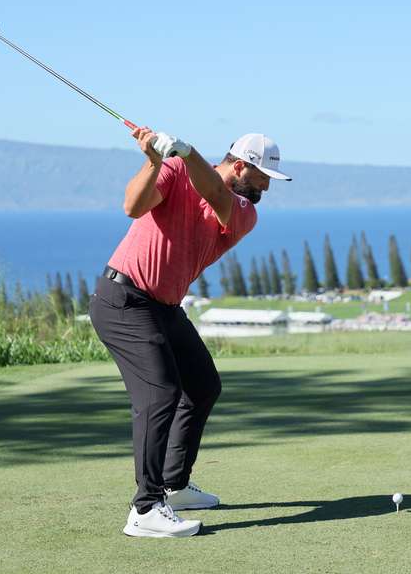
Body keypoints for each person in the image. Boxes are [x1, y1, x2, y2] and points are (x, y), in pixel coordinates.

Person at [89, 126, 290, 538]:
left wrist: (187, 151)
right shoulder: (176, 170)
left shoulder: (243, 211)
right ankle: (145, 509)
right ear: (240, 166)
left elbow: (216, 195)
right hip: (124, 300)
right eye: (262, 179)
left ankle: (174, 485)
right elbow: (132, 206)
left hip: (164, 307)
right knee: (160, 393)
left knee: (201, 386)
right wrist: (154, 160)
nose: (266, 189)